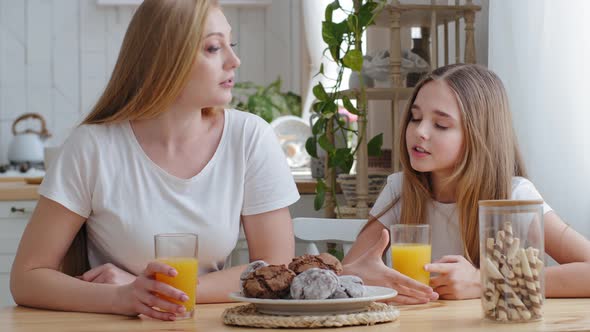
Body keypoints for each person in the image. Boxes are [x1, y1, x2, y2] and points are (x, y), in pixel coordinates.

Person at [10, 0, 299, 321]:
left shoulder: (249, 137)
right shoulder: (92, 146)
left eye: (230, 45)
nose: (234, 60)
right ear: (165, 58)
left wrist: (151, 290)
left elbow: (277, 268)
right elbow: (27, 278)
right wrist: (121, 298)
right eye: (214, 48)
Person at [342, 63, 590, 304]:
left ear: (479, 135)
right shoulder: (401, 189)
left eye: (441, 124)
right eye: (415, 118)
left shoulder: (513, 196)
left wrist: (486, 281)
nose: (420, 131)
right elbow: (348, 272)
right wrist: (363, 277)